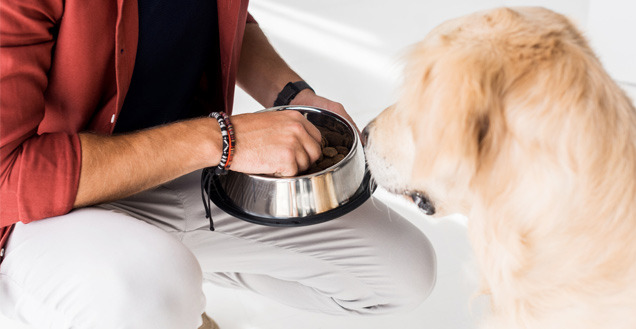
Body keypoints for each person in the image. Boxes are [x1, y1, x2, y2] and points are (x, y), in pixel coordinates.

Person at [0, 0, 436, 328]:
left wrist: (291, 98)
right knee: (149, 289)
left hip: (193, 170)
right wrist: (227, 138)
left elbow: (219, 19)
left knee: (406, 272)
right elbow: (8, 175)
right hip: (47, 212)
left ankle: (171, 285)